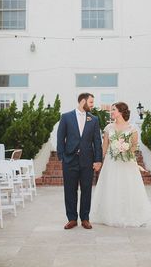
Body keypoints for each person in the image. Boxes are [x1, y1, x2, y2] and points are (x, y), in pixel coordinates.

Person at [91, 102, 151, 228]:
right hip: (111, 163)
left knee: (127, 187)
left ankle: (129, 214)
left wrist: (126, 151)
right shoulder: (108, 128)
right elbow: (104, 147)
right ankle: (110, 214)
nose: (111, 112)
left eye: (113, 110)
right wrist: (99, 161)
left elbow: (134, 146)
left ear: (121, 112)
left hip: (127, 163)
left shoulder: (132, 129)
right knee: (111, 187)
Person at [57, 92, 102, 229]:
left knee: (87, 190)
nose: (92, 105)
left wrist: (98, 160)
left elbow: (97, 141)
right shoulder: (66, 117)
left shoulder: (93, 119)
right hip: (69, 160)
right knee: (70, 190)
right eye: (91, 102)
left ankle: (85, 218)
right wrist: (62, 157)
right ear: (83, 101)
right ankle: (71, 218)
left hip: (87, 161)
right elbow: (60, 138)